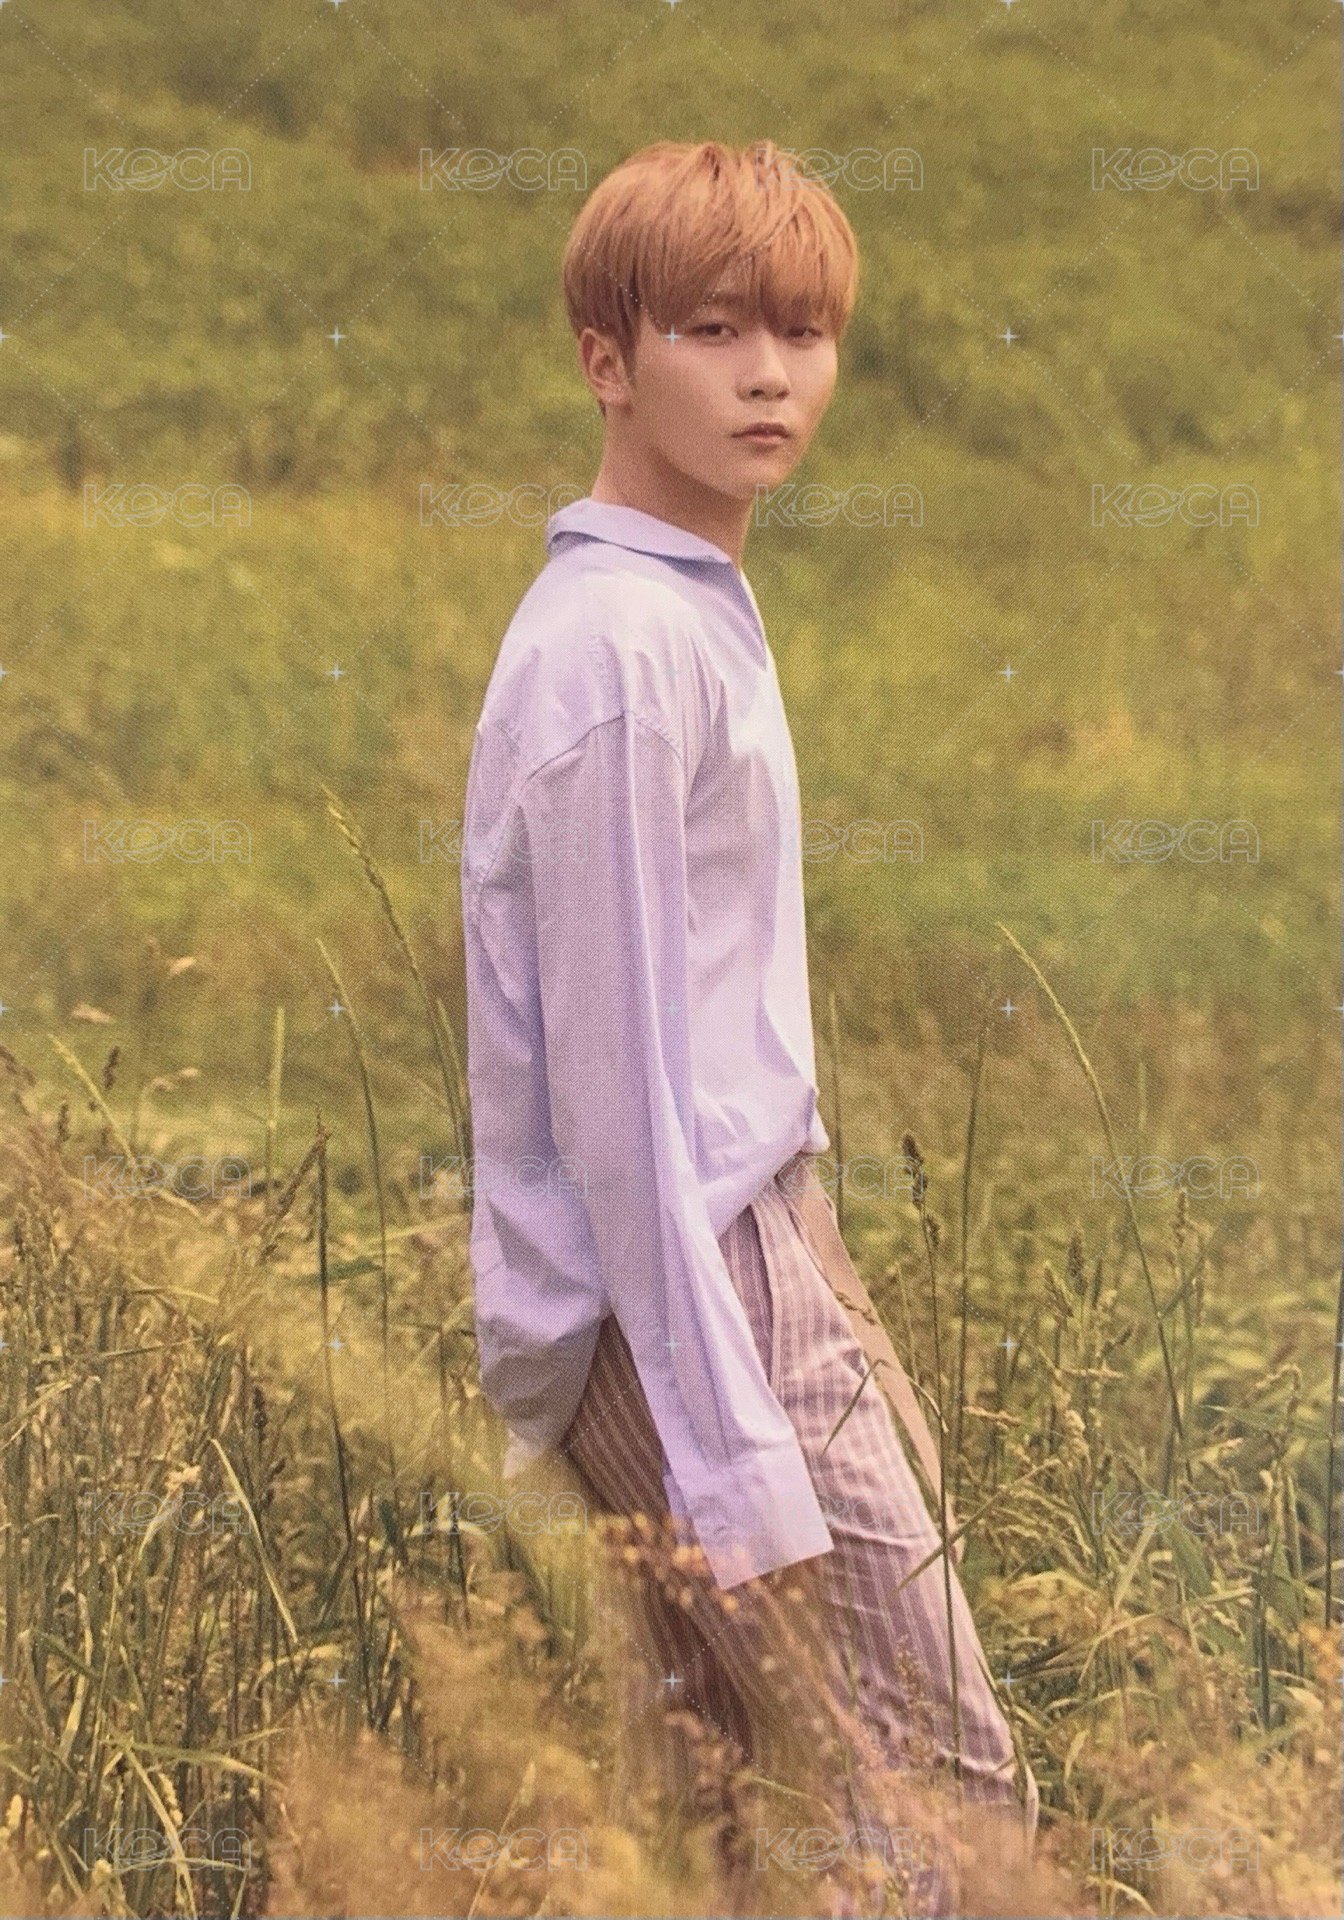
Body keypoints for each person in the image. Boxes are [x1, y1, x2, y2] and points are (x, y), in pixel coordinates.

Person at [460, 137, 1038, 1916]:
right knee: (945, 1815)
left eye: (804, 332)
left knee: (734, 1827)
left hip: (743, 1257)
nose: (771, 375)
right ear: (606, 360)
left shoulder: (681, 607)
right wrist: (731, 1458)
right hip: (690, 1295)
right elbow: (617, 1095)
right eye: (713, 332)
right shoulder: (620, 655)